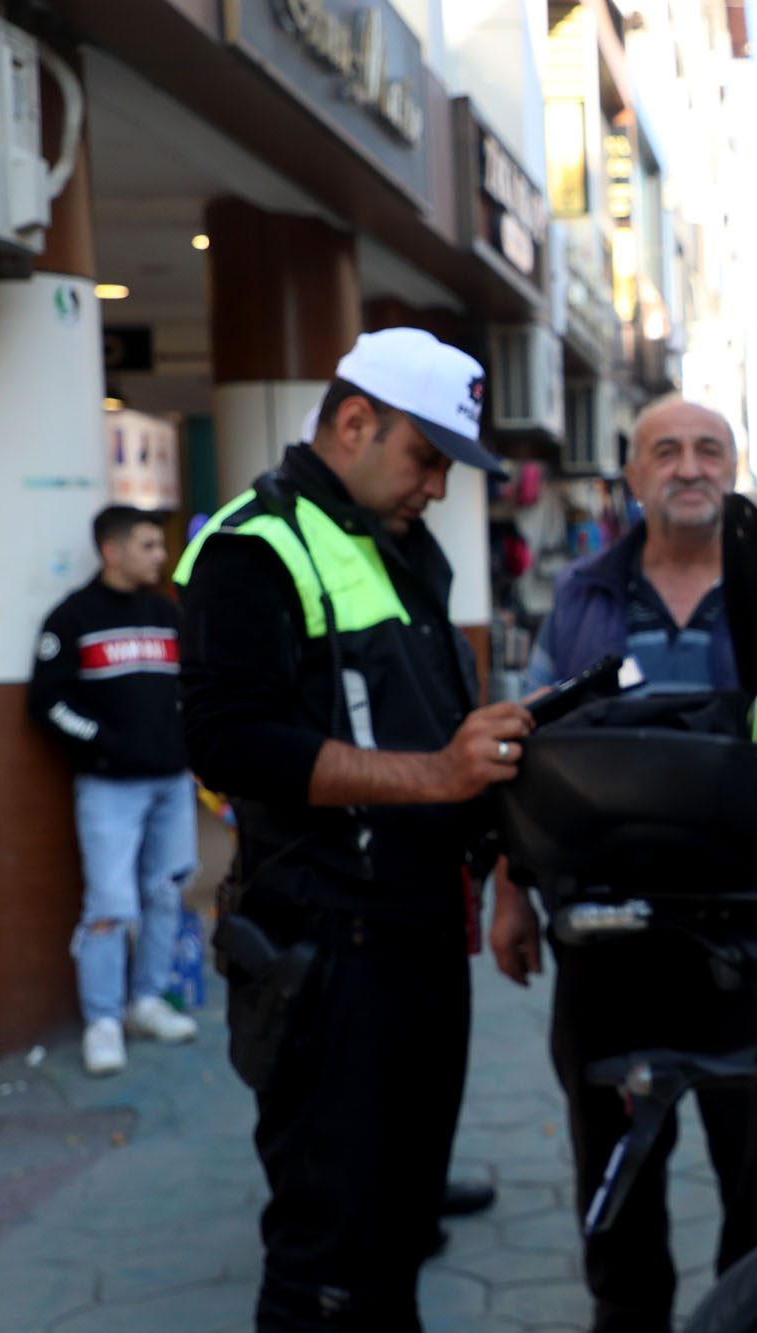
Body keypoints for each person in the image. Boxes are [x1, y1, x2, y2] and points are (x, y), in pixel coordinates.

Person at [489, 397, 757, 1333]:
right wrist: (509, 895)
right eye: (665, 451)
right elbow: (527, 748)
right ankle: (625, 1313)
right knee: (611, 1164)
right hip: (606, 930)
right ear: (631, 478)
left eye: (709, 450)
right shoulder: (585, 593)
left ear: (734, 468)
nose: (689, 466)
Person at [178, 327, 527, 1330]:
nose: (439, 487)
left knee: (398, 1227)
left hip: (417, 935)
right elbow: (232, 746)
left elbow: (430, 718)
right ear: (353, 421)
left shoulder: (397, 541)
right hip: (327, 949)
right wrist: (438, 771)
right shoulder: (252, 545)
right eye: (428, 459)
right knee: (327, 1256)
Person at [28, 505, 200, 1077]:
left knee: (165, 894)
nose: (160, 556)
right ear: (112, 550)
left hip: (172, 784)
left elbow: (194, 691)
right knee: (108, 907)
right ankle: (103, 1021)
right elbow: (48, 703)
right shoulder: (72, 618)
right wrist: (104, 742)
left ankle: (145, 1001)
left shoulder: (167, 615)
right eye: (149, 545)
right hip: (108, 789)